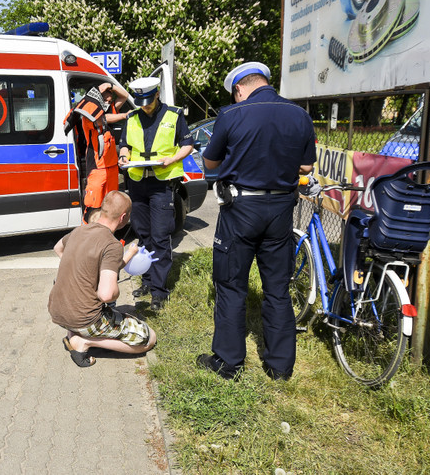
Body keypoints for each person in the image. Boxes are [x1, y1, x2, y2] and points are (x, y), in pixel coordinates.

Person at [196, 61, 316, 381]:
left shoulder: (231, 115)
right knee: (277, 289)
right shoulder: (299, 114)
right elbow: (306, 168)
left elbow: (210, 160)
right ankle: (280, 367)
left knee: (232, 286)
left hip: (241, 209)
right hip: (280, 209)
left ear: (239, 89)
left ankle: (229, 362)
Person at [48, 190, 157, 367]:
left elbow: (57, 248)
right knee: (148, 338)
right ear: (123, 217)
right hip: (85, 318)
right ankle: (84, 342)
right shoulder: (111, 244)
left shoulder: (79, 231)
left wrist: (128, 255)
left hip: (57, 311)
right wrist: (113, 289)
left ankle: (73, 334)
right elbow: (106, 295)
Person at [118, 77, 193, 311]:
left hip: (162, 184)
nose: (145, 106)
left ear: (157, 94)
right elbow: (125, 145)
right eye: (141, 102)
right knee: (144, 236)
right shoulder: (132, 117)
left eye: (148, 101)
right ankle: (147, 282)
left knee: (160, 238)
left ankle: (159, 292)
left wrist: (173, 159)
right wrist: (123, 157)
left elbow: (188, 144)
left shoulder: (174, 114)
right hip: (138, 182)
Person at [69, 82, 130, 222]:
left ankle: (106, 237)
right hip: (97, 168)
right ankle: (87, 236)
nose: (109, 102)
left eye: (110, 100)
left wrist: (110, 86)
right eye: (106, 100)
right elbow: (102, 119)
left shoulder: (109, 110)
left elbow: (125, 96)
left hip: (111, 168)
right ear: (98, 100)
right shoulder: (88, 114)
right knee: (93, 207)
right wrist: (124, 115)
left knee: (111, 207)